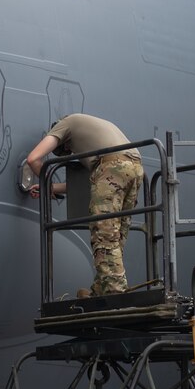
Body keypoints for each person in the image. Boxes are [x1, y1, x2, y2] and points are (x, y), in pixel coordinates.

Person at [24, 113, 142, 296]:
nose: (71, 150)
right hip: (134, 167)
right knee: (117, 234)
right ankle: (100, 287)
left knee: (103, 232)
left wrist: (46, 185)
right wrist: (52, 188)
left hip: (111, 167)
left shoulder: (67, 123)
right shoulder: (95, 129)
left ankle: (114, 291)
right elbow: (98, 182)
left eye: (67, 147)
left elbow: (33, 159)